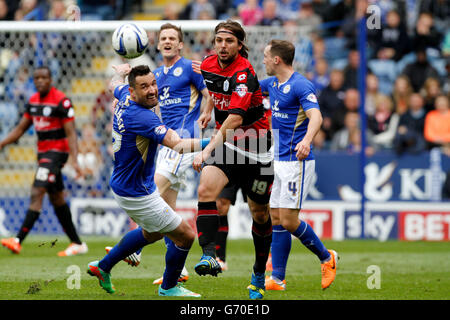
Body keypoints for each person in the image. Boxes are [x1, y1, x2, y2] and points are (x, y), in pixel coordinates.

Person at [87, 64, 209, 297]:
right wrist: (213, 142)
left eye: (153, 84)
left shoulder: (124, 96)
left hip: (131, 184)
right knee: (185, 235)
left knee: (153, 233)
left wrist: (120, 73)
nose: (152, 90)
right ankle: (169, 287)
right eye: (144, 87)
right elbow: (180, 146)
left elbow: (114, 85)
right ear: (133, 92)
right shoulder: (142, 117)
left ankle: (103, 266)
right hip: (136, 193)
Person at [192, 20, 274, 300]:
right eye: (219, 41)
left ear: (240, 45)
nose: (223, 46)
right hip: (228, 144)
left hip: (257, 147)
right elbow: (212, 91)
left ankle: (259, 274)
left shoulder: (245, 75)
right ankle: (209, 255)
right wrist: (206, 110)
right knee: (205, 190)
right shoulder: (207, 64)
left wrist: (206, 150)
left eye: (229, 41)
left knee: (260, 214)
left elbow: (236, 118)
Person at [259, 39, 338, 291]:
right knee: (276, 217)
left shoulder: (301, 85)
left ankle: (327, 257)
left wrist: (306, 140)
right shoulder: (272, 84)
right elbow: (246, 87)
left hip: (297, 161)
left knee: (290, 220)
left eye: (265, 56)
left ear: (276, 60)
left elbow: (316, 116)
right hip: (278, 160)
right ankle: (278, 279)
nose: (262, 60)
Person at [140, 23, 213, 285]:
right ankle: (178, 269)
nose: (168, 41)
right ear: (158, 44)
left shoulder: (191, 67)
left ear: (180, 44)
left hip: (184, 140)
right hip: (167, 142)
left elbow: (209, 94)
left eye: (173, 38)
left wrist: (207, 110)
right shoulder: (157, 74)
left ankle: (134, 247)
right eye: (164, 38)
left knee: (152, 194)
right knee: (168, 211)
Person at [0, 66, 87, 256]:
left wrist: (75, 160)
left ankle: (17, 240)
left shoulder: (61, 101)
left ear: (50, 79)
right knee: (57, 199)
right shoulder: (33, 102)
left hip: (56, 153)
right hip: (43, 154)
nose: (40, 81)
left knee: (37, 190)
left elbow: (71, 133)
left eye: (44, 77)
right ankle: (77, 243)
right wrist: (2, 143)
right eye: (36, 78)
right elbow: (20, 129)